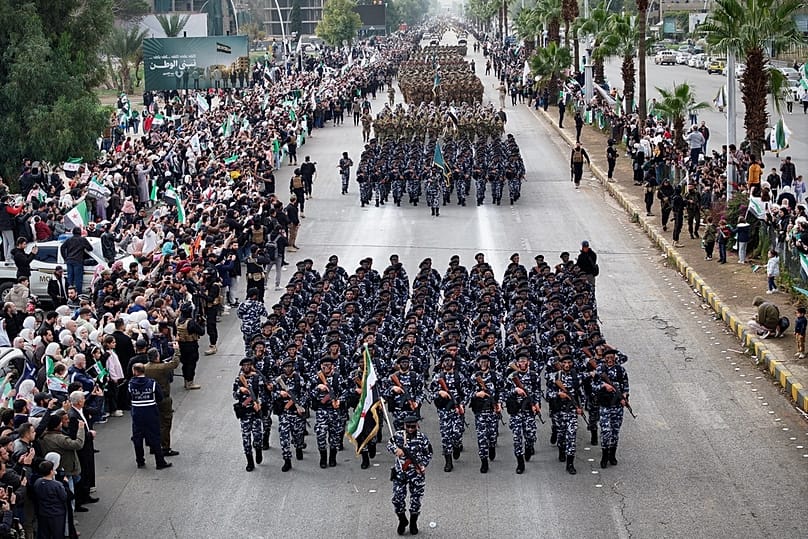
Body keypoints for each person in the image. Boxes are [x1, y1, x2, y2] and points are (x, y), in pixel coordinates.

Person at [386, 413, 433, 536]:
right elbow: (389, 444)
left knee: (416, 500)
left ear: (417, 425)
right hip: (400, 473)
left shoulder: (422, 438)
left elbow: (429, 453)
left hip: (416, 474)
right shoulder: (398, 436)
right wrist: (396, 450)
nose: (411, 429)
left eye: (413, 426)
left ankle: (413, 522)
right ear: (404, 426)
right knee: (397, 499)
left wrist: (422, 465)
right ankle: (402, 520)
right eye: (408, 426)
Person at [502, 350, 542, 475]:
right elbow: (504, 394)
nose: (522, 363)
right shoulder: (511, 377)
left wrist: (537, 405)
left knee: (530, 436)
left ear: (528, 363)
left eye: (524, 361)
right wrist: (515, 390)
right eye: (520, 361)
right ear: (517, 363)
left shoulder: (534, 376)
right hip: (516, 411)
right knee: (517, 438)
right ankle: (520, 463)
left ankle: (529, 448)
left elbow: (537, 392)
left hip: (529, 411)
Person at [128, 363, 172, 469]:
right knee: (155, 437)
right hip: (151, 413)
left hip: (137, 414)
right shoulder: (152, 383)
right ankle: (159, 462)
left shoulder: (130, 385)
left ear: (135, 371)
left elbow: (127, 399)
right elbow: (160, 397)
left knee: (137, 437)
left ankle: (140, 461)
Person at [546, 356, 585, 475]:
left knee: (571, 437)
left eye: (569, 362)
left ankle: (570, 463)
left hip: (571, 411)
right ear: (561, 364)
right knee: (561, 435)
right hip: (558, 411)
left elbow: (581, 394)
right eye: (564, 363)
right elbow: (548, 395)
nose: (567, 365)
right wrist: (558, 394)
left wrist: (580, 407)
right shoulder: (555, 377)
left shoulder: (576, 377)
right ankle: (561, 450)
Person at [429, 355, 467, 473]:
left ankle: (456, 446)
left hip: (457, 410)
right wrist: (439, 392)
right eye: (445, 361)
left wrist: (462, 404)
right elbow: (430, 394)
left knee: (457, 433)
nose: (447, 363)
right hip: (444, 410)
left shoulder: (459, 377)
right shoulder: (437, 377)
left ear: (454, 363)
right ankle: (448, 460)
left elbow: (467, 392)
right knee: (446, 436)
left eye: (450, 361)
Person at [593, 349, 629, 468]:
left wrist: (624, 397)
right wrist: (603, 385)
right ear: (604, 358)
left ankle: (612, 455)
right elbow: (593, 385)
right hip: (605, 405)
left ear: (614, 358)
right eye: (607, 357)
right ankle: (604, 455)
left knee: (614, 432)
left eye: (611, 357)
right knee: (605, 431)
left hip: (617, 406)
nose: (609, 360)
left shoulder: (620, 370)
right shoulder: (600, 370)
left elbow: (625, 386)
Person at [143, 344, 180, 457]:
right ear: (157, 357)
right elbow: (175, 363)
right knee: (165, 423)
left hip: (150, 399)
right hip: (163, 398)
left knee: (153, 423)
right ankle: (165, 447)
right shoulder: (161, 367)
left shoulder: (145, 367)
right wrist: (177, 350)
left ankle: (153, 445)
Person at [273, 358, 308, 472]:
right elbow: (271, 394)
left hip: (296, 413)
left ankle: (299, 447)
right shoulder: (279, 380)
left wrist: (300, 406)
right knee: (284, 438)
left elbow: (306, 394)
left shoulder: (299, 379)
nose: (288, 368)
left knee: (298, 436)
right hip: (284, 413)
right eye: (286, 367)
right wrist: (279, 393)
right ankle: (287, 460)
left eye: (290, 366)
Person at [310, 357, 345, 469]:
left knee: (335, 435)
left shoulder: (337, 378)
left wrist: (340, 400)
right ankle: (323, 457)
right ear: (321, 366)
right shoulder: (316, 378)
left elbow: (346, 391)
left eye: (329, 365)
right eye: (324, 365)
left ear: (332, 366)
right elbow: (307, 394)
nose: (326, 367)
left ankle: (333, 457)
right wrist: (317, 388)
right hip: (322, 410)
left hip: (334, 410)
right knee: (321, 434)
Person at [469, 355, 500, 474]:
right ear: (478, 363)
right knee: (481, 437)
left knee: (492, 435)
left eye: (485, 361)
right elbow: (466, 392)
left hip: (492, 410)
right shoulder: (474, 377)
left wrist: (500, 403)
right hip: (480, 411)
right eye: (481, 361)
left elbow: (501, 390)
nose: (483, 363)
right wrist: (477, 394)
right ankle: (484, 461)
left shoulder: (495, 376)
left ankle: (492, 446)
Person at [233, 357, 263, 472]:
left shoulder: (256, 378)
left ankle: (258, 450)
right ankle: (250, 461)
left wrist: (259, 404)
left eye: (248, 365)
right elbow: (234, 395)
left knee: (257, 436)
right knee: (246, 438)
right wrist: (240, 390)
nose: (246, 367)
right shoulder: (239, 380)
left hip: (255, 412)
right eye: (244, 365)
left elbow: (263, 393)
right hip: (245, 413)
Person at [33, 460, 68, 539]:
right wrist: (65, 483)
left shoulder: (37, 482)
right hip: (56, 514)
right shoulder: (57, 485)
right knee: (57, 534)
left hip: (43, 513)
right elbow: (64, 497)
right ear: (51, 471)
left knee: (44, 535)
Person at [176, 303, 204, 390]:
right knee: (191, 364)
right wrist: (201, 323)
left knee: (185, 364)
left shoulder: (177, 321)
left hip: (181, 345)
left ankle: (186, 380)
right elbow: (201, 332)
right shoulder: (191, 322)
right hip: (191, 345)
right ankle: (190, 382)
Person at [60, 227, 92, 294]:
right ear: (80, 232)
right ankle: (78, 294)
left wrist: (65, 258)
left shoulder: (69, 239)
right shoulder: (82, 239)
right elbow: (90, 248)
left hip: (69, 261)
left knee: (70, 279)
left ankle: (69, 294)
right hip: (78, 261)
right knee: (78, 280)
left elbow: (62, 247)